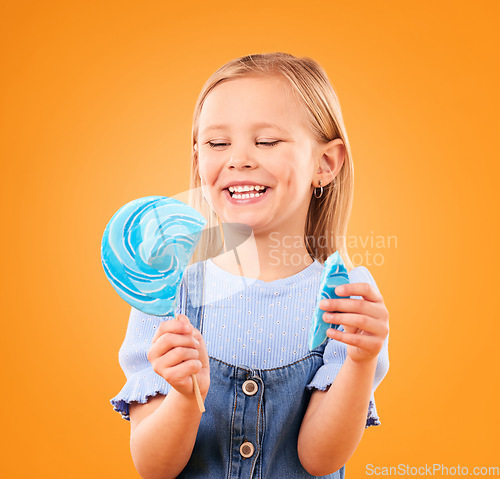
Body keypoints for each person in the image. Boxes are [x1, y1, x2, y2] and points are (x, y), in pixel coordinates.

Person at [110, 52, 390, 478]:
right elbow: (153, 466)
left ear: (325, 164)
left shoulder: (343, 303)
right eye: (218, 143)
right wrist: (186, 398)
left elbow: (321, 459)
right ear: (200, 159)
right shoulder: (168, 291)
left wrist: (359, 361)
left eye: (267, 141)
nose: (239, 159)